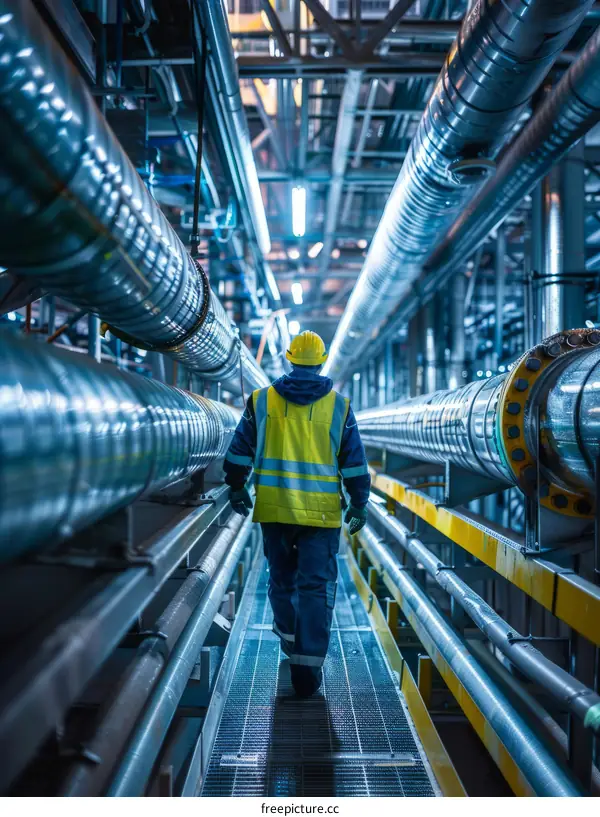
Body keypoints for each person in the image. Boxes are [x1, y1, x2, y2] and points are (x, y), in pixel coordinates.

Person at [223, 330, 370, 698]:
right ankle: (307, 666)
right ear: (321, 362)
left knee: (281, 580)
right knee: (315, 588)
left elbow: (238, 454)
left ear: (290, 360)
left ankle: (290, 643)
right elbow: (354, 464)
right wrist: (358, 502)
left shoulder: (261, 402)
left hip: (275, 510)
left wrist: (237, 486)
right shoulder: (339, 406)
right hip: (320, 517)